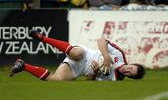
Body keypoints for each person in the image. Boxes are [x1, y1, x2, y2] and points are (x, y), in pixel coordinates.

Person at [10, 30, 145, 81]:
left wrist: (95, 72)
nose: (128, 70)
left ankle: (23, 65)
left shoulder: (115, 80)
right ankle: (42, 38)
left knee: (56, 80)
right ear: (131, 64)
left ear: (129, 77)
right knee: (77, 52)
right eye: (131, 68)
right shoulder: (119, 55)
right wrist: (106, 56)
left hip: (78, 70)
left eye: (130, 74)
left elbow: (89, 82)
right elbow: (100, 40)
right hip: (85, 54)